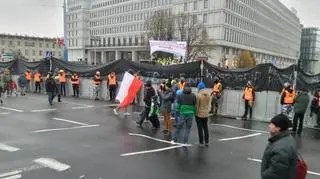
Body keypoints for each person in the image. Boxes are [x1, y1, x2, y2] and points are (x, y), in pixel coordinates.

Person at [261, 114, 297, 179]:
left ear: (278, 128)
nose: (269, 126)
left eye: (272, 124)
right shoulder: (286, 137)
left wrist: (264, 175)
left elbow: (275, 172)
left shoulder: (281, 148)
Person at [195, 82, 211, 147]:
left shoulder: (198, 95)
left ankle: (201, 142)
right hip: (206, 114)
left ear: (199, 88)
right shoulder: (208, 95)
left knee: (200, 128)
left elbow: (197, 106)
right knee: (205, 128)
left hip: (199, 114)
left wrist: (195, 113)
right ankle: (207, 141)